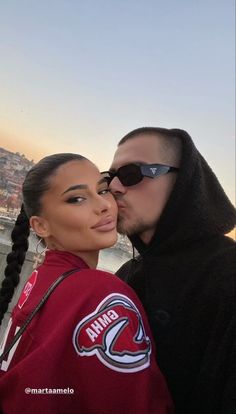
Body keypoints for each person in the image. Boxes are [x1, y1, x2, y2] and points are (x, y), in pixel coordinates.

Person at [0, 153, 174, 414]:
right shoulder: (102, 294)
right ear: (41, 226)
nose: (104, 205)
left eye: (102, 190)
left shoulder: (40, 278)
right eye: (77, 199)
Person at [106, 127, 236, 414]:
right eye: (109, 177)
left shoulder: (228, 275)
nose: (114, 187)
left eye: (131, 174)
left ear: (183, 182)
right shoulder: (127, 276)